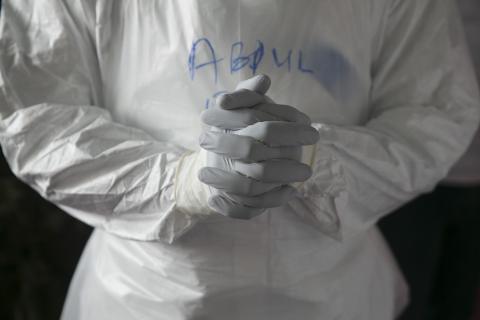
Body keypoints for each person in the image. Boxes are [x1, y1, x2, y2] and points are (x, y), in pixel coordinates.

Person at [0, 0, 478, 319]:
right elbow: (37, 119)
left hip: (330, 289)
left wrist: (317, 159)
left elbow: (435, 112)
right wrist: (179, 182)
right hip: (150, 294)